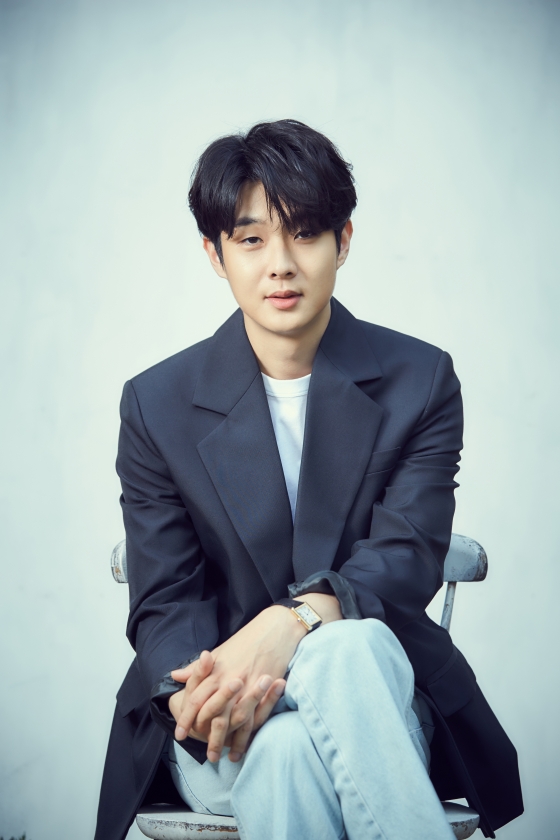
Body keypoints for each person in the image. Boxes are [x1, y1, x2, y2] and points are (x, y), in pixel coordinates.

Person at [95, 119, 523, 840]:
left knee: (326, 687)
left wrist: (293, 623)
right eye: (252, 239)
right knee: (290, 721)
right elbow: (165, 596)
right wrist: (203, 692)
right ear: (215, 253)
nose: (281, 265)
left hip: (377, 702)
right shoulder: (157, 404)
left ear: (342, 241)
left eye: (304, 233)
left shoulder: (419, 380)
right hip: (220, 712)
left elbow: (406, 555)